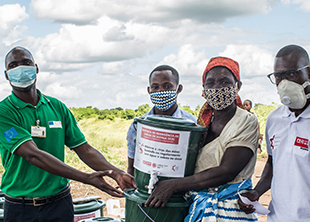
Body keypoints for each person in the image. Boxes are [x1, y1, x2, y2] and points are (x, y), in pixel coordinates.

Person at [0, 47, 136, 222]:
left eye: (26, 63)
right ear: (6, 74)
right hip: (21, 207)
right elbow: (33, 155)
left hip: (59, 204)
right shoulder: (4, 112)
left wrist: (116, 173)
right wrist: (87, 178)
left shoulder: (57, 107)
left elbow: (84, 149)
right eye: (14, 65)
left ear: (36, 68)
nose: (21, 69)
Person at [144, 57, 259, 222]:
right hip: (200, 205)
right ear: (203, 89)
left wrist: (174, 185)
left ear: (237, 86)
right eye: (210, 83)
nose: (217, 88)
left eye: (224, 82)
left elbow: (227, 171)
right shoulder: (201, 124)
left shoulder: (245, 120)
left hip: (231, 209)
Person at [239, 44, 310, 221]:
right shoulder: (274, 119)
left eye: (291, 74)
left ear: (308, 73)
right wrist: (257, 191)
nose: (283, 82)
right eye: (278, 76)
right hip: (277, 217)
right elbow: (272, 164)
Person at [126, 65, 197, 175]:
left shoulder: (193, 125)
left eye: (167, 86)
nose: (161, 91)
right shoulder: (138, 126)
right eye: (155, 87)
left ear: (179, 89)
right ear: (149, 90)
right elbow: (131, 166)